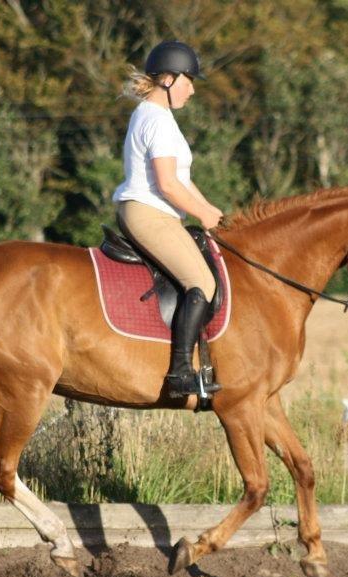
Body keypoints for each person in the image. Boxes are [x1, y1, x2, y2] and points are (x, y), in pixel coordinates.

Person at [112, 40, 223, 398]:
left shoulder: (155, 116)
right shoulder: (157, 120)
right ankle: (179, 373)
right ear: (169, 79)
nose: (193, 89)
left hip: (151, 210)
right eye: (189, 80)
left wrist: (212, 212)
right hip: (149, 212)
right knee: (202, 283)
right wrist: (201, 212)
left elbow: (184, 179)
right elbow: (168, 184)